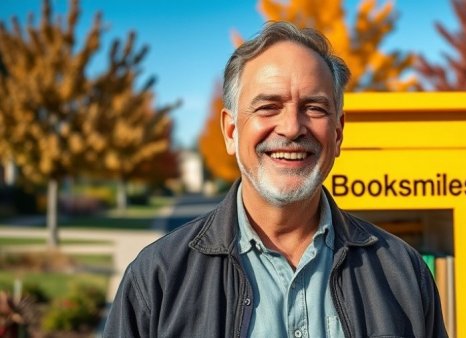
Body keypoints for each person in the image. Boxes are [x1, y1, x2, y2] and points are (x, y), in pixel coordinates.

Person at [104, 21, 448, 338]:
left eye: (314, 108)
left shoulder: (403, 273)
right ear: (230, 131)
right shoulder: (157, 280)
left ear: (339, 132)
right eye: (268, 106)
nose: (292, 127)